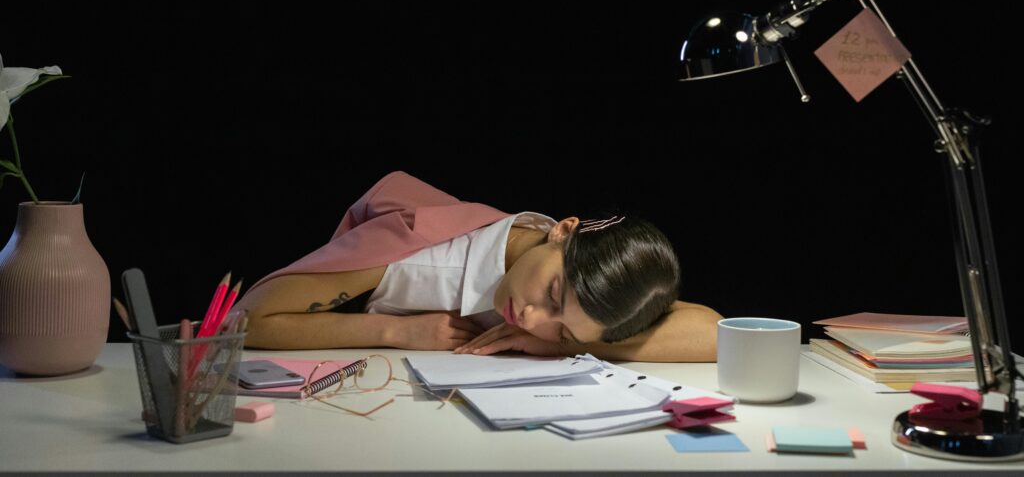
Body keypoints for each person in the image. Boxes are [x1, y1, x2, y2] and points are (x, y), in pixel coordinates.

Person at [237, 171, 722, 362]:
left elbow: (716, 333)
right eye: (552, 298)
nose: (533, 318)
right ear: (563, 229)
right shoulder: (416, 253)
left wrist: (554, 345)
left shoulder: (581, 286)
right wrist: (394, 332)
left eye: (566, 330)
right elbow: (247, 320)